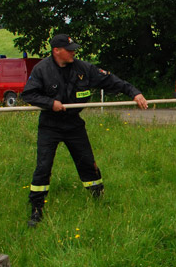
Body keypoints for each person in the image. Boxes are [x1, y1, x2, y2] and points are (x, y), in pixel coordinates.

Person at [22, 33, 149, 227]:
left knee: (87, 162)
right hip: (50, 125)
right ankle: (36, 208)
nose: (73, 53)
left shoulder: (83, 68)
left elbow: (111, 80)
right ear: (56, 51)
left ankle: (99, 199)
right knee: (43, 166)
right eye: (69, 50)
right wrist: (50, 103)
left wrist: (135, 93)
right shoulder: (42, 69)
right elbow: (29, 94)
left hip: (73, 123)